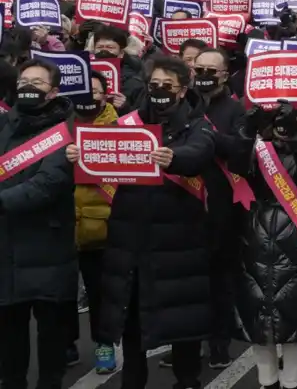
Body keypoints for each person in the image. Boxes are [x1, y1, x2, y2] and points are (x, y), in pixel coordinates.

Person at [68, 55, 216, 389]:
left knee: (183, 327)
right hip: (130, 239)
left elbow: (199, 153)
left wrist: (174, 158)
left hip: (179, 244)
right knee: (132, 326)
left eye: (167, 85)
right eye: (154, 85)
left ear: (181, 90)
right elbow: (101, 158)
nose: (159, 91)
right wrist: (80, 156)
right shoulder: (127, 123)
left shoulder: (197, 124)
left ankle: (188, 380)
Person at [229, 101, 297, 389]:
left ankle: (292, 381)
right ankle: (266, 381)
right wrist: (248, 128)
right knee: (259, 321)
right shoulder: (258, 148)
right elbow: (236, 165)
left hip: (296, 237)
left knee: (294, 318)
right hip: (255, 236)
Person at [0, 58, 77, 389]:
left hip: (48, 246)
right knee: (9, 341)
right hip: (6, 249)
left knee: (51, 341)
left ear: (54, 91)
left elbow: (49, 183)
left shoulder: (66, 132)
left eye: (37, 82)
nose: (28, 87)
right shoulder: (4, 126)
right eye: (24, 81)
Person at [191, 48, 245, 368]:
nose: (206, 75)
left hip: (223, 206)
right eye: (200, 69)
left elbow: (241, 150)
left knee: (220, 279)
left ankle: (219, 343)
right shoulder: (184, 103)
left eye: (213, 70)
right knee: (188, 279)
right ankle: (188, 342)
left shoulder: (236, 110)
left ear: (225, 74)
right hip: (185, 204)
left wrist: (209, 136)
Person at [68, 72, 119, 374]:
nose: (89, 97)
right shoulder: (58, 127)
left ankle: (104, 344)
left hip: (101, 225)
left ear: (105, 94)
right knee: (60, 294)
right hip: (61, 224)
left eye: (95, 91)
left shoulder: (122, 127)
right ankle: (65, 343)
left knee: (99, 292)